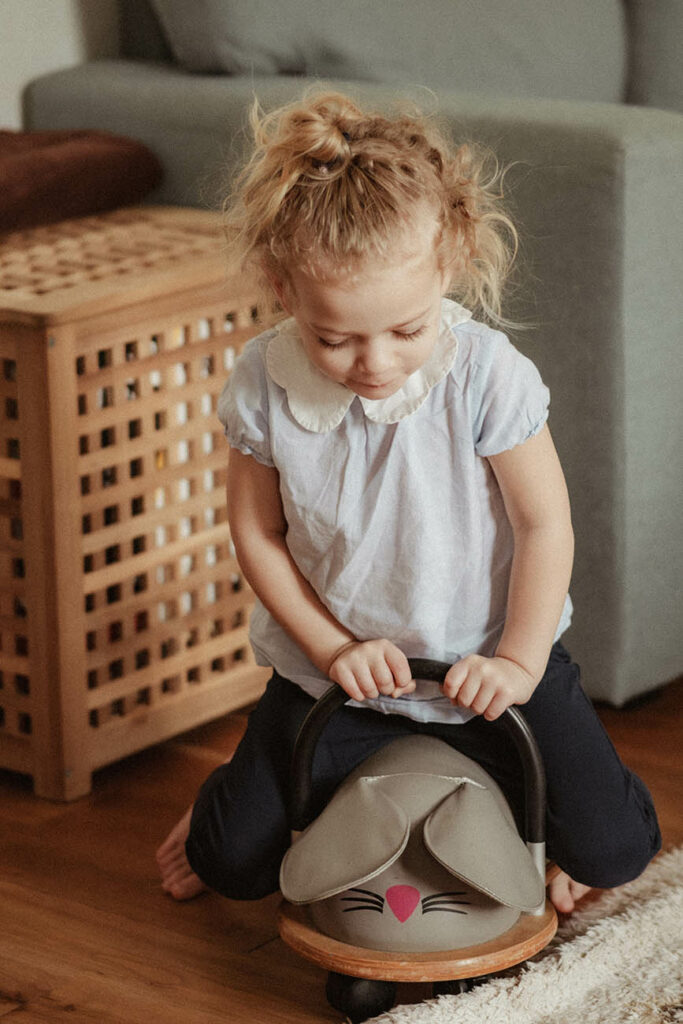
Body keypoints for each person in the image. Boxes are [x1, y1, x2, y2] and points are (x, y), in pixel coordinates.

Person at [157, 91, 660, 915]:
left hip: (485, 669)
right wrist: (332, 650)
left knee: (614, 849)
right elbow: (256, 531)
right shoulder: (261, 384)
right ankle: (232, 787)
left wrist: (518, 664)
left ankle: (561, 796)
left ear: (448, 265)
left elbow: (542, 524)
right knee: (230, 861)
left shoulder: (486, 376)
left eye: (405, 330)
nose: (375, 364)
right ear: (282, 288)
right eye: (334, 338)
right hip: (334, 678)